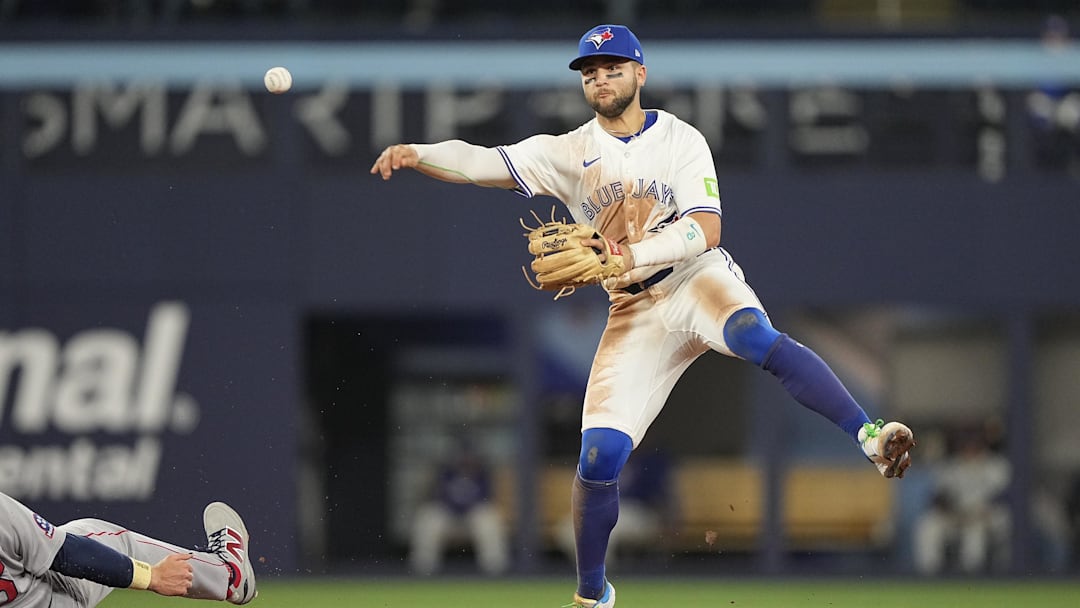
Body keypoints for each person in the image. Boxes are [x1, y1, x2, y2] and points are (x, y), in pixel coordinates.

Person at [371, 23, 915, 608]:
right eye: (590, 71)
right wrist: (418, 153)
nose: (600, 78)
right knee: (599, 455)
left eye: (612, 67)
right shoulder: (569, 153)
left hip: (695, 277)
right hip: (632, 309)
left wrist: (630, 252)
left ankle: (868, 434)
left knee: (752, 334)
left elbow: (706, 228)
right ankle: (592, 594)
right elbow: (478, 162)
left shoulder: (682, 140)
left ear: (640, 74)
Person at [0, 491, 257, 606]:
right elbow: (68, 554)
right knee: (112, 540)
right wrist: (152, 576)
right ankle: (230, 576)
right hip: (53, 595)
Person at [408, 440, 511, 576]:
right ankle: (423, 569)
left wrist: (465, 509)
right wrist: (455, 509)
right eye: (464, 456)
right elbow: (439, 498)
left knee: (489, 518)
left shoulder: (482, 473)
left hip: (473, 517)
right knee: (428, 517)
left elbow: (486, 499)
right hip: (449, 516)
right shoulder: (446, 472)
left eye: (470, 456)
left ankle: (494, 570)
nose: (467, 459)